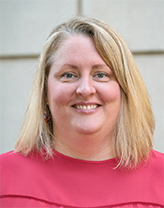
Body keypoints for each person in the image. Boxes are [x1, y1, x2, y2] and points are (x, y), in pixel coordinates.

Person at [0, 16, 163, 208]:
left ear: (124, 89)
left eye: (101, 75)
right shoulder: (4, 178)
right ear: (45, 91)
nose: (85, 89)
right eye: (68, 75)